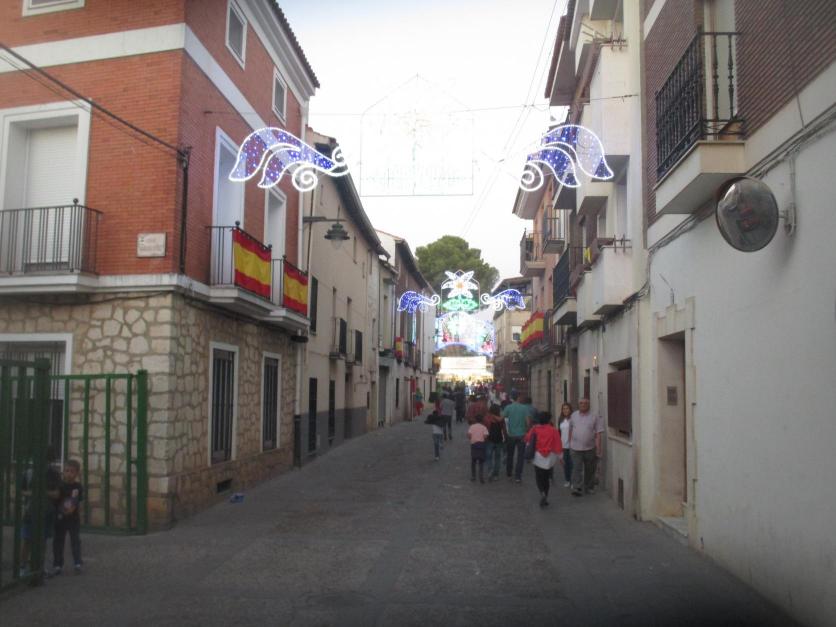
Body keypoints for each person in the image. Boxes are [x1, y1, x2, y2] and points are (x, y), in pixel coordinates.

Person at [19, 449, 61, 578]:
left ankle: (39, 567)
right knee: (27, 539)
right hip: (31, 510)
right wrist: (33, 493)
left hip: (47, 511)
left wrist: (42, 492)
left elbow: (57, 494)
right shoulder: (29, 473)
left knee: (42, 540)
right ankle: (22, 567)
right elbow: (22, 490)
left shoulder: (54, 474)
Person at [524, 412, 564, 507]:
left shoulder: (535, 429)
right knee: (546, 478)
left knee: (538, 476)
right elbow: (558, 443)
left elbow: (527, 438)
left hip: (538, 456)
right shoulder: (553, 430)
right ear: (549, 420)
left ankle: (542, 492)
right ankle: (546, 494)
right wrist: (560, 457)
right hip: (550, 457)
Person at [53, 459, 84, 575]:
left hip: (73, 518)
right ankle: (57, 564)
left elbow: (77, 501)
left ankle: (77, 563)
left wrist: (73, 509)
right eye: (66, 471)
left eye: (72, 471)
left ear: (77, 473)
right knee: (58, 541)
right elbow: (56, 500)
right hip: (60, 517)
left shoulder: (78, 487)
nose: (69, 474)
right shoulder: (60, 485)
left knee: (75, 540)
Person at [568, 398, 604, 496]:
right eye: (581, 403)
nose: (583, 405)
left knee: (590, 469)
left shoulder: (594, 416)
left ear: (589, 405)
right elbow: (570, 430)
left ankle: (588, 487)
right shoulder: (573, 415)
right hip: (575, 448)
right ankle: (577, 487)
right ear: (578, 405)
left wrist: (598, 448)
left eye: (585, 403)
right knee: (576, 468)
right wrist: (570, 443)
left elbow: (598, 434)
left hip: (590, 448)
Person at [501, 391, 533, 483]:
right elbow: (528, 422)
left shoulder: (508, 407)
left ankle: (509, 473)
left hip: (511, 435)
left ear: (512, 398)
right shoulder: (524, 408)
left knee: (510, 455)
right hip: (521, 435)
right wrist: (527, 430)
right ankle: (518, 476)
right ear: (518, 397)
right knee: (520, 456)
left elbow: (501, 418)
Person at [483, 403, 507, 481]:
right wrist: (505, 438)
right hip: (499, 440)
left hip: (489, 440)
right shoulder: (500, 419)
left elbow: (484, 429)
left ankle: (490, 470)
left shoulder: (486, 418)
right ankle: (496, 474)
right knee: (497, 458)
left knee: (489, 457)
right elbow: (504, 429)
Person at [467, 414, 489, 483]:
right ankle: (481, 476)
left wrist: (472, 438)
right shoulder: (484, 427)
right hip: (481, 445)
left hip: (474, 445)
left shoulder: (472, 426)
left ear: (475, 419)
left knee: (473, 461)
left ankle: (473, 476)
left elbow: (469, 435)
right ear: (482, 420)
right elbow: (485, 436)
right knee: (481, 462)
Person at [558, 403, 574, 487]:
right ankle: (567, 480)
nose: (565, 410)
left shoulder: (573, 419)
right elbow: (559, 432)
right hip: (563, 445)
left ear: (570, 410)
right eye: (564, 409)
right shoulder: (561, 419)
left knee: (572, 464)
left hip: (571, 446)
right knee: (565, 464)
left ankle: (573, 481)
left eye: (567, 408)